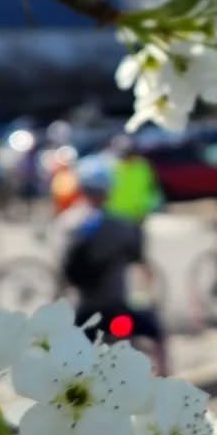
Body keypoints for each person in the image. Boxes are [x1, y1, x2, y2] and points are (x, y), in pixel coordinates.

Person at [61, 155, 168, 374]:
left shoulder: (66, 224)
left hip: (81, 312)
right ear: (108, 190)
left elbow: (62, 268)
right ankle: (167, 381)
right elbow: (137, 259)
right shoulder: (121, 226)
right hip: (116, 308)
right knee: (157, 333)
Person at [106, 137, 165, 223]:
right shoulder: (111, 167)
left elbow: (152, 187)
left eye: (128, 154)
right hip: (115, 215)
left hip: (137, 214)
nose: (126, 157)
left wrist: (150, 206)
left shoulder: (142, 166)